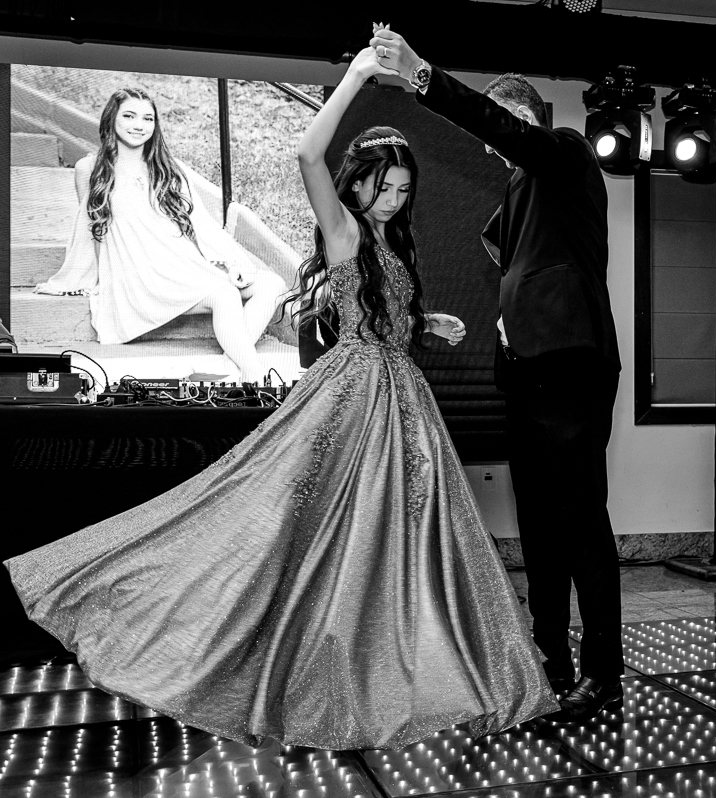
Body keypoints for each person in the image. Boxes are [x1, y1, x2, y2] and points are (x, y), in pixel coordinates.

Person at [4, 48, 560, 750]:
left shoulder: (390, 241)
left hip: (403, 399)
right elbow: (305, 154)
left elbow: (385, 315)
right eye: (382, 186)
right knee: (327, 533)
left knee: (405, 537)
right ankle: (336, 664)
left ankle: (401, 660)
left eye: (401, 189)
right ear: (357, 184)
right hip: (358, 396)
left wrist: (426, 323)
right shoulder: (345, 229)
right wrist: (355, 78)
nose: (393, 199)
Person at [370, 25, 624, 721]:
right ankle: (550, 660)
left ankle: (605, 673)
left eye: (502, 129)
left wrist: (423, 75)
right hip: (521, 378)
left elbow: (507, 132)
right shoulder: (515, 194)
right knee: (539, 531)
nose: (493, 145)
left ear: (527, 118)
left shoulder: (566, 153)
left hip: (569, 368)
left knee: (581, 525)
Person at [33, 88, 286, 382]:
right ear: (111, 119)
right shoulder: (89, 168)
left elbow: (202, 225)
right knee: (224, 294)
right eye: (129, 116)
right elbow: (90, 230)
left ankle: (230, 366)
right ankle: (254, 377)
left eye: (148, 118)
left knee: (273, 283)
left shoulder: (167, 168)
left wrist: (233, 261)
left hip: (179, 265)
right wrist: (88, 279)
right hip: (138, 275)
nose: (139, 125)